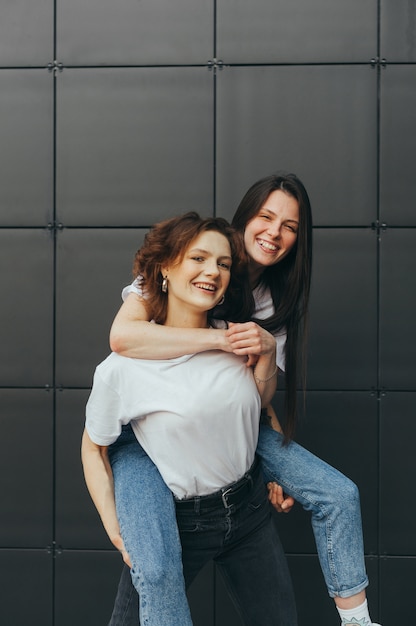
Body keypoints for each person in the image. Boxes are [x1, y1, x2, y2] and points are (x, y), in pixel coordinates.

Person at [109, 172, 381, 626]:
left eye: (290, 226)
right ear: (244, 218)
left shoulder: (278, 306)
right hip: (152, 428)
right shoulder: (188, 260)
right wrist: (216, 342)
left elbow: (257, 398)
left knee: (339, 494)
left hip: (233, 426)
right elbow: (123, 337)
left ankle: (357, 621)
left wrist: (274, 465)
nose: (274, 233)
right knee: (153, 571)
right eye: (265, 216)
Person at [82, 212, 298, 626]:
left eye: (222, 263)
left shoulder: (239, 340)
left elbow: (259, 409)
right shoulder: (122, 368)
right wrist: (116, 528)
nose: (212, 271)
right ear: (164, 268)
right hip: (178, 523)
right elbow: (94, 448)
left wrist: (278, 471)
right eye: (198, 258)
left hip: (250, 512)